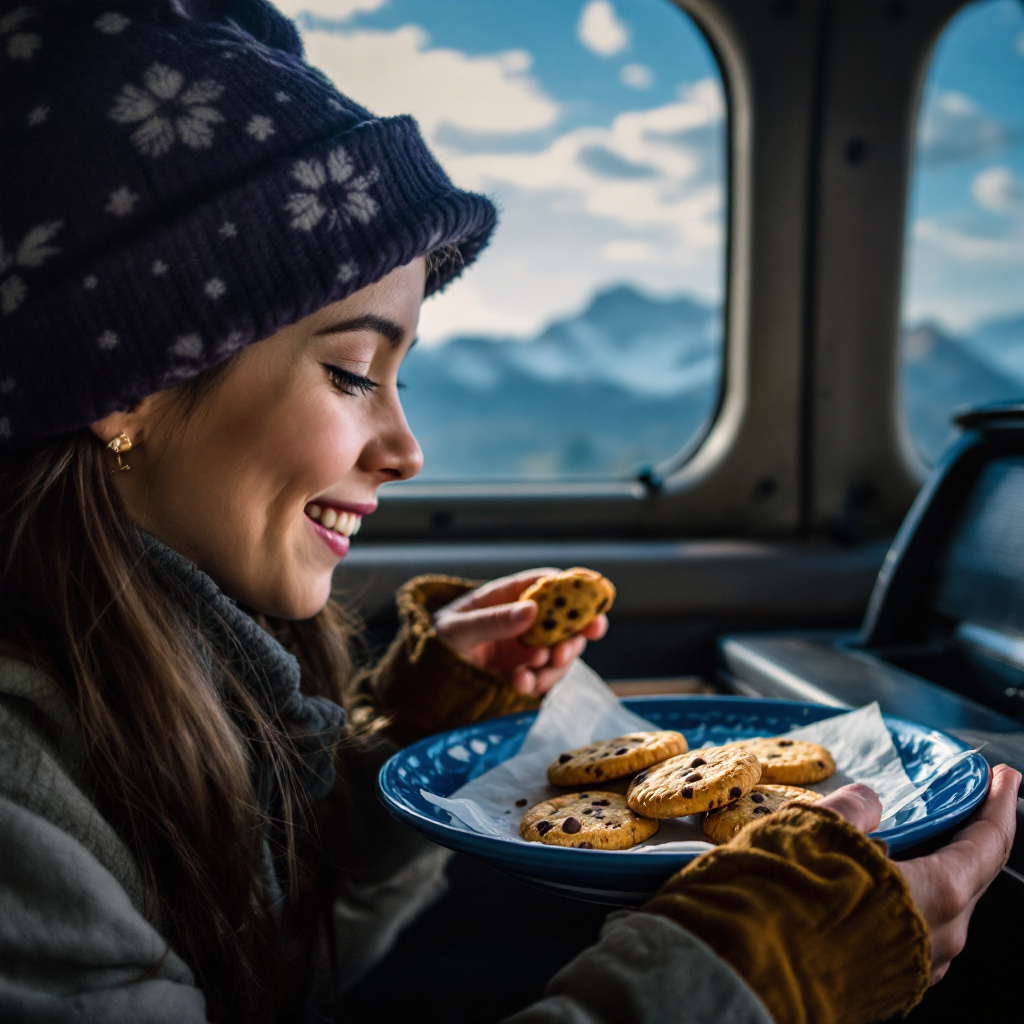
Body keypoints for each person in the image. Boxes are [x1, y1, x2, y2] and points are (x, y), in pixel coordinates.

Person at [0, 3, 1017, 1023]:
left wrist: (399, 759)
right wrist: (746, 980)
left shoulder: (167, 673)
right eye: (353, 372)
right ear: (125, 381)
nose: (406, 451)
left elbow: (266, 979)